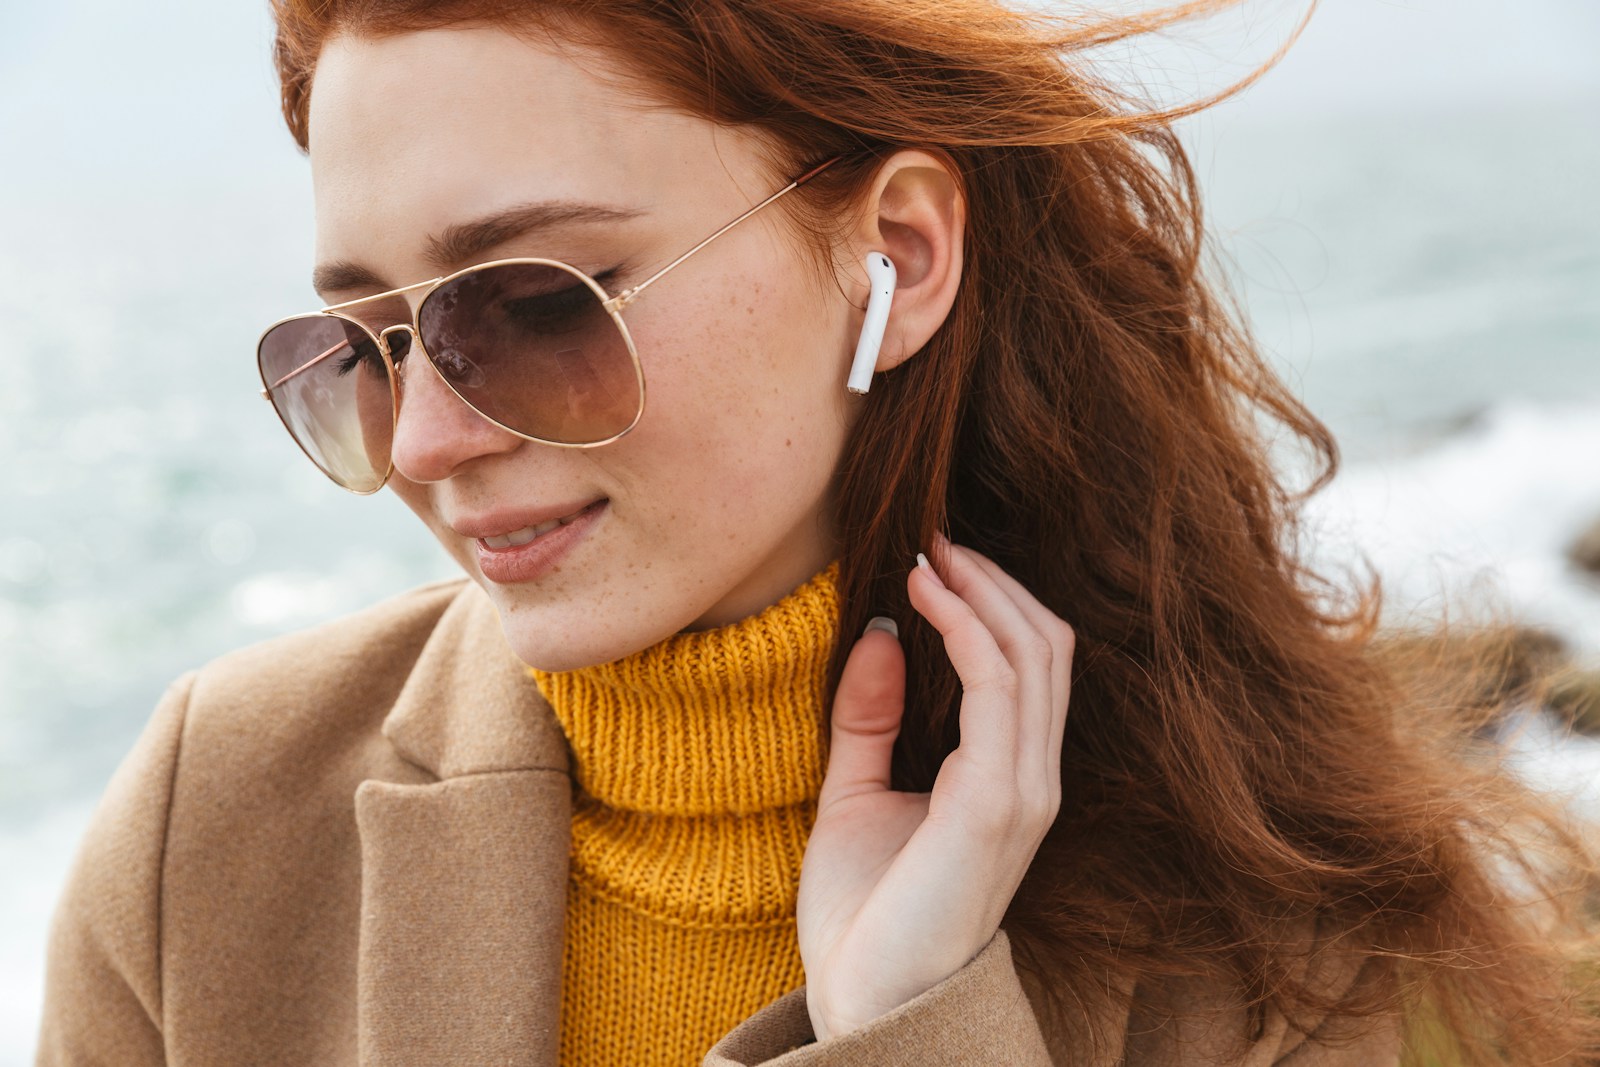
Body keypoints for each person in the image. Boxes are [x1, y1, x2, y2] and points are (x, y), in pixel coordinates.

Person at [35, 1, 1598, 1064]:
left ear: (897, 259)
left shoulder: (1297, 947)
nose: (427, 443)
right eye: (358, 347)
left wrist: (911, 1023)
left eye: (527, 305)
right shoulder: (213, 831)